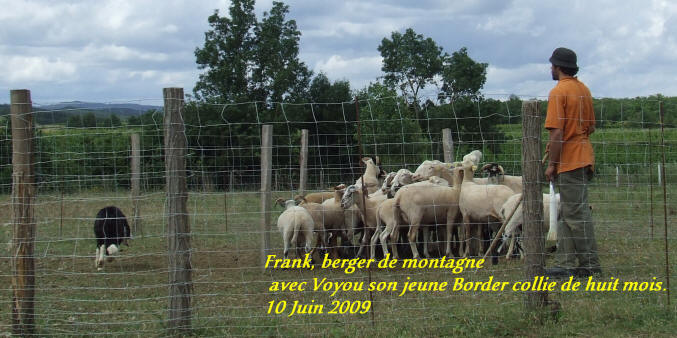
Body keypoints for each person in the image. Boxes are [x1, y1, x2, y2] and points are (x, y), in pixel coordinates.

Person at [544, 47, 601, 278]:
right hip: (585, 155)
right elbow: (591, 127)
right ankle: (565, 264)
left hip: (570, 160)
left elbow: (557, 134)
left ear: (558, 67)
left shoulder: (559, 92)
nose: (550, 68)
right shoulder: (583, 89)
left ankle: (590, 266)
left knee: (577, 216)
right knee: (569, 213)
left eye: (552, 65)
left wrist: (552, 164)